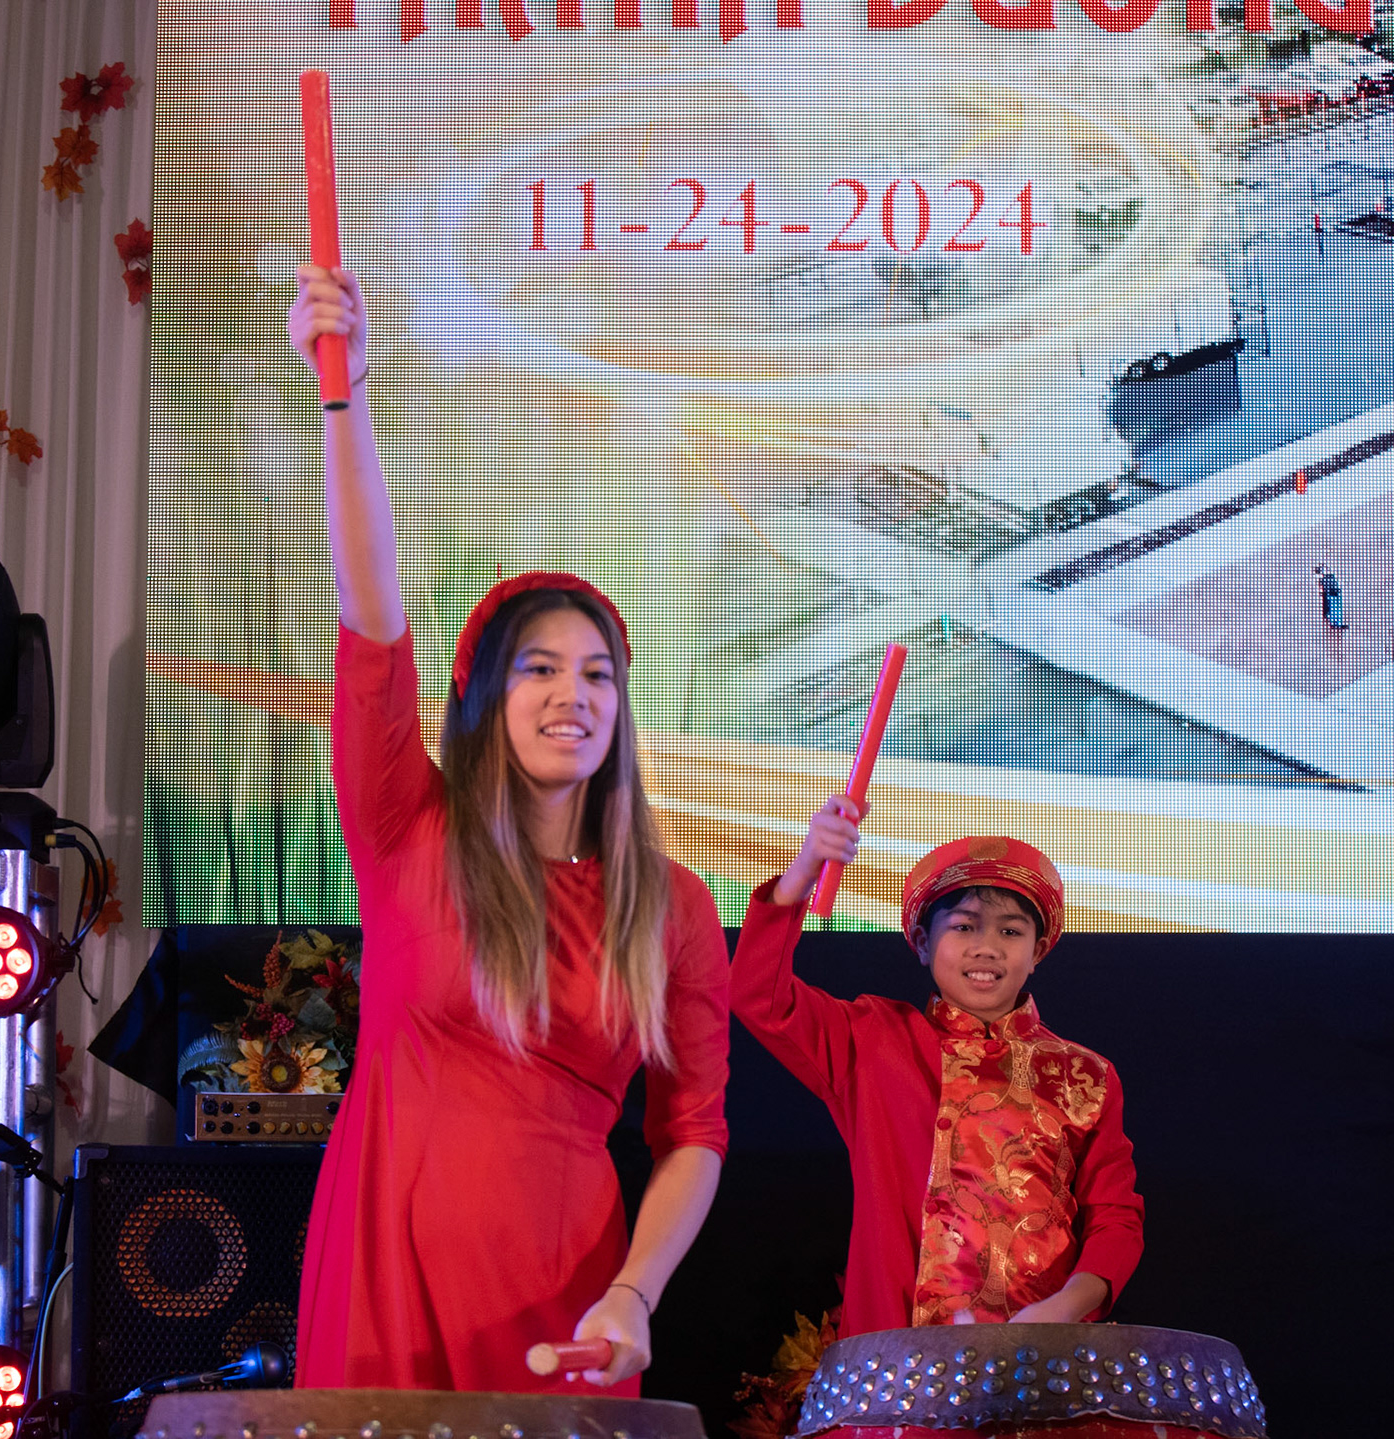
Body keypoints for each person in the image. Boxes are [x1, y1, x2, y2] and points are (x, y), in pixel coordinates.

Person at [285, 266, 729, 1392]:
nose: (572, 692)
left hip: (569, 1297)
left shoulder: (673, 904)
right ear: (487, 694)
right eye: (539, 667)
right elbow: (370, 607)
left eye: (597, 673)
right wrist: (345, 395)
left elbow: (693, 1132)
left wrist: (634, 1292)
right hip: (386, 1284)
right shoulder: (409, 824)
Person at [731, 822, 1143, 1337]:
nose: (987, 948)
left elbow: (1115, 1218)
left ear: (1038, 952)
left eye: (1010, 932)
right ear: (924, 943)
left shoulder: (1084, 1075)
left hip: (1037, 1348)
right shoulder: (873, 1040)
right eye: (964, 927)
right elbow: (759, 997)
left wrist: (1065, 1307)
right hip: (894, 1351)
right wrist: (804, 871)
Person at [1314, 563, 1349, 629]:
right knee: (1333, 609)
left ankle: (1337, 623)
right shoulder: (1323, 578)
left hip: (1334, 594)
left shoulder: (1329, 577)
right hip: (1331, 594)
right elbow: (1324, 587)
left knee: (1336, 609)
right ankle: (1335, 624)